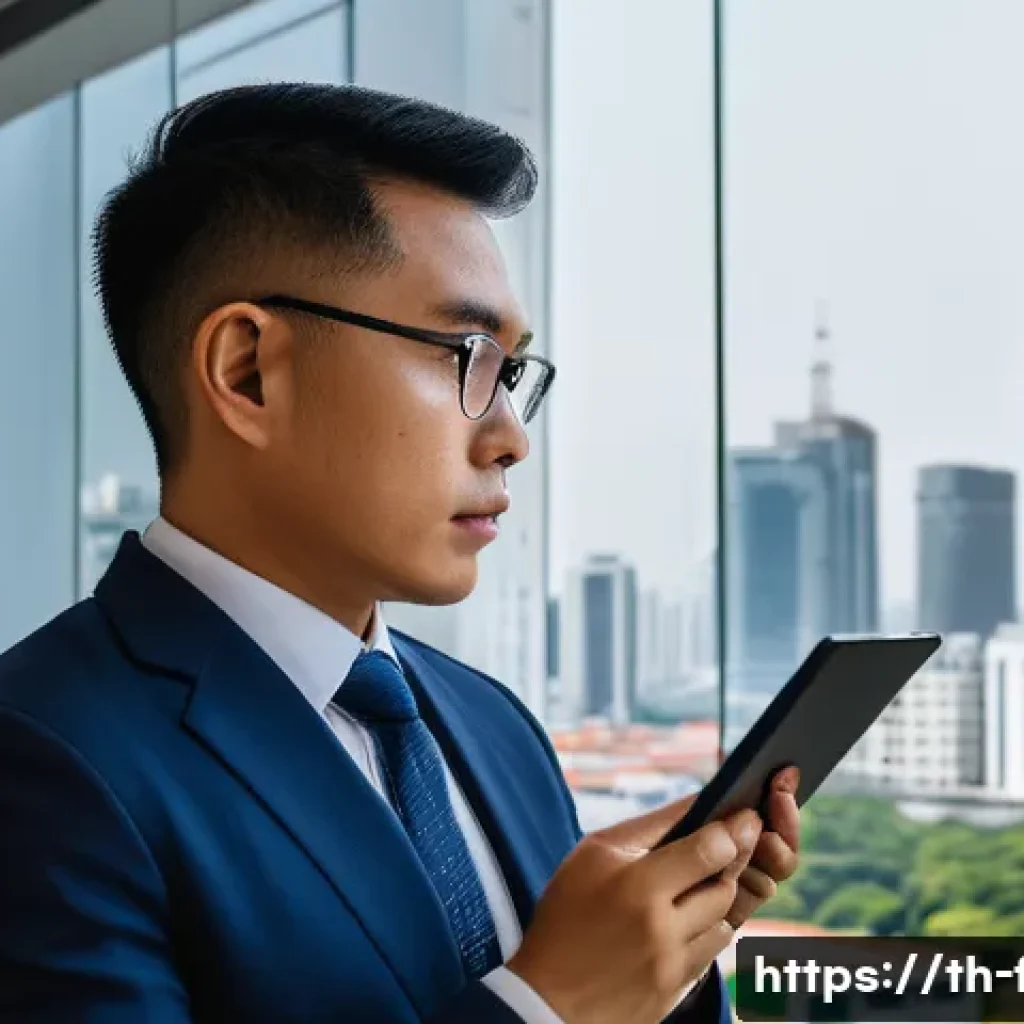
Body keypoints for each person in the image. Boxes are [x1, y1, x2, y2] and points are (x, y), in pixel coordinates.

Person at [0, 83, 800, 1023]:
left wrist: (664, 965)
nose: (511, 435)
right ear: (247, 372)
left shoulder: (491, 723)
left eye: (516, 374)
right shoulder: (41, 756)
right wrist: (549, 1007)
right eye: (466, 356)